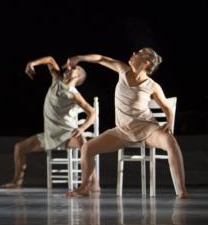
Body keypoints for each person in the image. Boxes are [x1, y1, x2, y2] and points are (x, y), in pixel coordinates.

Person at [66, 48, 188, 198]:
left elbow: (167, 108)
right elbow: (101, 58)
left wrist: (170, 121)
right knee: (87, 148)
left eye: (139, 53)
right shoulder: (122, 70)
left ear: (146, 62)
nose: (134, 53)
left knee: (170, 141)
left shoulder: (152, 86)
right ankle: (85, 187)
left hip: (147, 129)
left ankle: (182, 191)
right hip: (122, 131)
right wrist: (79, 57)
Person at [0, 56, 99, 190]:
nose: (69, 68)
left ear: (78, 76)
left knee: (84, 143)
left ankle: (93, 183)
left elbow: (92, 112)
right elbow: (51, 60)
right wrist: (32, 63)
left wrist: (82, 128)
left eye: (74, 68)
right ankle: (16, 182)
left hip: (66, 134)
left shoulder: (74, 94)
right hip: (49, 135)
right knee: (19, 148)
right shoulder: (56, 80)